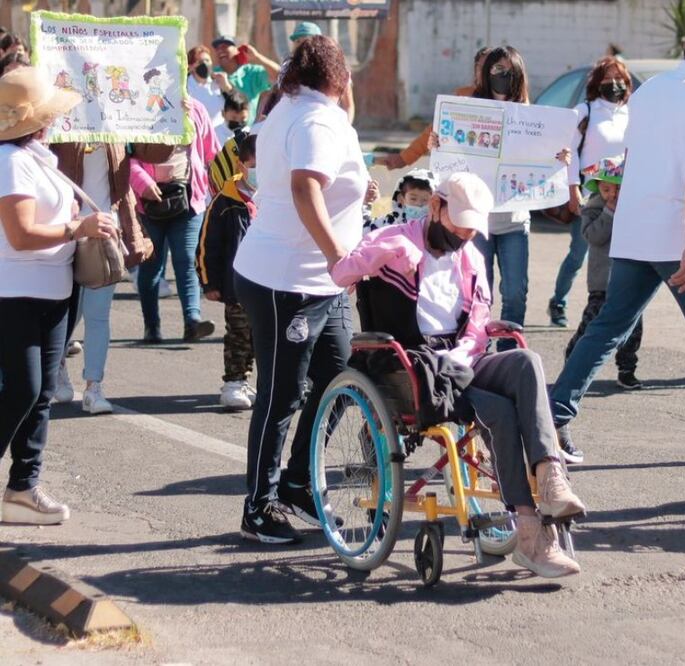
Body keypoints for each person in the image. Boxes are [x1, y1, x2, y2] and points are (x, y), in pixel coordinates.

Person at [330, 172, 586, 578]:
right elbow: (342, 274)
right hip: (412, 365)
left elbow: (480, 318)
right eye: (457, 227)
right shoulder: (396, 240)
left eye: (470, 232)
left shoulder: (469, 256)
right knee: (499, 411)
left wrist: (463, 356)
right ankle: (530, 530)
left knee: (526, 361)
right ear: (435, 207)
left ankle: (550, 475)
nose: (462, 237)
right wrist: (379, 253)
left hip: (461, 358)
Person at [548, 15, 685, 464]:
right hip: (677, 237)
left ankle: (554, 415)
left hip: (634, 230)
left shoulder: (651, 88)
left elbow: (636, 157)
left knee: (607, 329)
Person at [231, 36, 367, 544]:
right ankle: (258, 505)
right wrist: (338, 256)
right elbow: (305, 186)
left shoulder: (294, 107)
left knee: (339, 372)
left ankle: (294, 482)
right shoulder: (314, 119)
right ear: (341, 77)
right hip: (287, 280)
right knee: (282, 393)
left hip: (316, 282)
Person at [0, 67, 117, 524]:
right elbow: (22, 235)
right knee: (24, 389)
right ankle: (21, 487)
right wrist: (77, 227)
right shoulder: (10, 161)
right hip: (16, 291)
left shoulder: (36, 157)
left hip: (54, 288)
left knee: (43, 391)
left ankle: (23, 488)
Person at [465, 45, 576, 349]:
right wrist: (440, 143)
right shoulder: (471, 111)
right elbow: (453, 151)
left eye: (508, 72)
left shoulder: (533, 119)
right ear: (486, 75)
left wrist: (560, 159)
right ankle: (477, 352)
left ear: (519, 75)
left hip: (515, 221)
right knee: (479, 291)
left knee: (515, 293)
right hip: (478, 222)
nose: (502, 77)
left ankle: (508, 357)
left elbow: (546, 160)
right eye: (496, 71)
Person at [50, 138, 155, 414]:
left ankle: (93, 387)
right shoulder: (61, 124)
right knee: (66, 310)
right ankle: (58, 364)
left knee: (98, 314)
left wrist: (175, 120)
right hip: (65, 231)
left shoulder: (118, 126)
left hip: (105, 230)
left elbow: (153, 151)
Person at [547, 56, 633, 328]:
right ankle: (559, 302)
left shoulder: (631, 113)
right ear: (597, 83)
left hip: (624, 196)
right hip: (592, 194)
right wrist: (573, 191)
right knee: (579, 253)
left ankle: (609, 304)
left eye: (619, 79)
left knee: (619, 255)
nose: (614, 84)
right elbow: (568, 152)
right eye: (608, 79)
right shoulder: (586, 111)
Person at [130, 97, 220, 343]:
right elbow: (125, 156)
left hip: (189, 199)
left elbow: (212, 151)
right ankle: (152, 327)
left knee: (186, 259)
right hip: (149, 203)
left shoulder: (196, 108)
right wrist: (143, 184)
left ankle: (192, 321)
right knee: (151, 265)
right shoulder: (136, 108)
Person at [564, 156, 644, 394]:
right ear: (598, 186)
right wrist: (609, 212)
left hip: (631, 282)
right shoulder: (593, 208)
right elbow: (593, 236)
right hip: (602, 283)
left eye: (618, 188)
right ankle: (573, 358)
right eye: (607, 188)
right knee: (592, 325)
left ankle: (627, 370)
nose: (612, 194)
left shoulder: (633, 208)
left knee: (633, 330)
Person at [197, 132, 257, 410]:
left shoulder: (277, 197)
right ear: (241, 164)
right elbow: (208, 244)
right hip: (237, 285)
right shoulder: (225, 200)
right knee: (239, 333)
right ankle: (234, 381)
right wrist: (209, 282)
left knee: (263, 337)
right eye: (254, 166)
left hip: (270, 284)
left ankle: (258, 381)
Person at [375, 47, 490, 171]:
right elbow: (434, 131)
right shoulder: (462, 97)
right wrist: (404, 158)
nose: (484, 72)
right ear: (475, 71)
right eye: (480, 67)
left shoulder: (511, 103)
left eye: (490, 68)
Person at [212, 35, 279, 126]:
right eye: (217, 48)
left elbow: (279, 75)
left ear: (237, 50)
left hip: (245, 133)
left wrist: (257, 57)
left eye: (225, 46)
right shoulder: (212, 74)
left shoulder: (251, 72)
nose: (220, 50)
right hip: (220, 134)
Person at [363, 167, 437, 235]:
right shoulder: (390, 222)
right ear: (401, 199)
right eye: (413, 199)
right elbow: (363, 229)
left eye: (425, 200)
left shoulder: (436, 227)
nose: (418, 203)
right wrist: (367, 203)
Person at [187, 45, 232, 137]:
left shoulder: (219, 82)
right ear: (191, 66)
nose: (205, 64)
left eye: (208, 60)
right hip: (195, 136)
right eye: (200, 62)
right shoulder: (185, 86)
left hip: (218, 137)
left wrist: (227, 88)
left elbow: (238, 105)